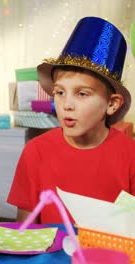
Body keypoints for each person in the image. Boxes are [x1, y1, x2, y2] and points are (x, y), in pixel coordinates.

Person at [8, 17, 135, 224]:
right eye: (59, 92)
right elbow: (25, 233)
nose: (66, 105)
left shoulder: (131, 156)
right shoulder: (35, 152)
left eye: (82, 94)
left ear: (112, 104)